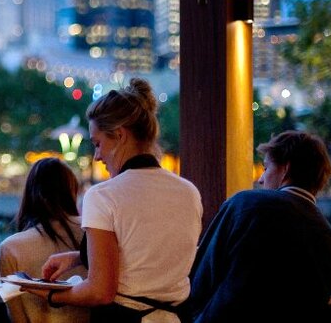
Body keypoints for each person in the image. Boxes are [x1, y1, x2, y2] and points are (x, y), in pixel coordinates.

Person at [27, 78, 203, 323]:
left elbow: (100, 291)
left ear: (120, 136)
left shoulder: (103, 196)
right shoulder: (189, 192)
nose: (97, 156)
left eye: (98, 144)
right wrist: (79, 257)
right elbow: (145, 249)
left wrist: (50, 296)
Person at [187, 130, 331, 323]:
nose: (261, 179)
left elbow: (202, 276)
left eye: (266, 168)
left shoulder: (246, 204)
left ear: (286, 169)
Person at [0, 157, 90, 323]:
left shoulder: (11, 248)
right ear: (72, 190)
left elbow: (16, 315)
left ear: (29, 193)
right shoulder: (92, 233)